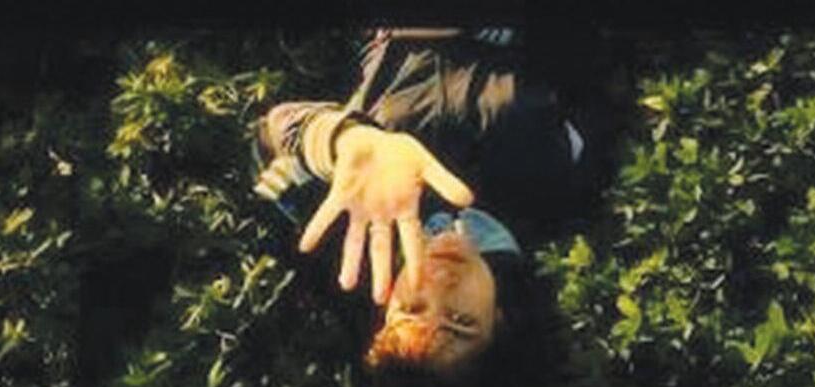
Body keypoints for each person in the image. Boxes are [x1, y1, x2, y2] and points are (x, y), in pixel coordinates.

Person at [252, 26, 609, 305]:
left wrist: (343, 138)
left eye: (414, 308)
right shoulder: (555, 198)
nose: (439, 285)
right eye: (460, 321)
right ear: (498, 320)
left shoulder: (366, 215)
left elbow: (269, 135)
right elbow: (592, 78)